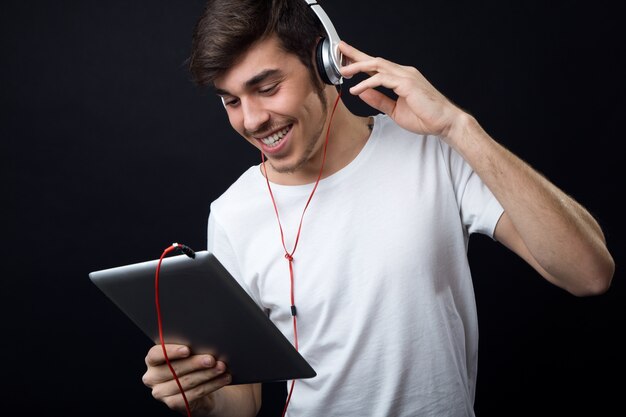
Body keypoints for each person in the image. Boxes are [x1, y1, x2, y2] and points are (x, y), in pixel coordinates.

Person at [141, 0, 615, 416]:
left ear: (325, 62)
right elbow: (243, 403)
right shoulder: (231, 214)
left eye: (267, 88)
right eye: (231, 101)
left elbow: (589, 273)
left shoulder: (432, 151)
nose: (252, 120)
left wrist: (458, 127)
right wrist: (201, 397)